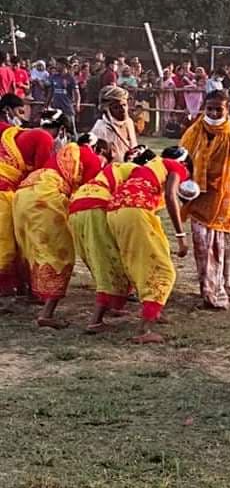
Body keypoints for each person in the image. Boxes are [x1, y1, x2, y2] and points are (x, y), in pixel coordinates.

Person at [12, 136, 105, 328]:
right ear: (101, 150)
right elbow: (89, 194)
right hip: (46, 198)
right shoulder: (93, 159)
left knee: (31, 247)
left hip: (23, 193)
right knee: (60, 254)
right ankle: (46, 314)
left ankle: (31, 294)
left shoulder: (64, 153)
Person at [106, 148, 193, 342]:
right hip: (135, 211)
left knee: (138, 264)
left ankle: (153, 311)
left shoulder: (147, 167)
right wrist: (181, 236)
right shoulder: (177, 166)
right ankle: (144, 330)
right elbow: (171, 196)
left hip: (114, 212)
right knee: (164, 271)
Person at [181, 92, 230, 310]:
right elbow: (181, 165)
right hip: (200, 201)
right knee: (204, 249)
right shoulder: (193, 132)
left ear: (227, 109)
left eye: (218, 109)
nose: (213, 113)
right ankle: (210, 293)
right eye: (210, 108)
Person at [69, 146, 155, 333]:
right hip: (96, 208)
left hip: (77, 206)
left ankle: (115, 307)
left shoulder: (116, 169)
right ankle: (96, 321)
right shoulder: (138, 174)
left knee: (102, 261)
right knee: (110, 263)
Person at [0, 113, 60, 300]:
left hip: (7, 188)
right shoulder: (44, 138)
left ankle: (16, 283)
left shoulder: (13, 133)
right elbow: (39, 174)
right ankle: (9, 285)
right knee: (8, 241)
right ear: (60, 130)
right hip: (4, 190)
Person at [91, 86, 138, 162]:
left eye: (124, 105)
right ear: (107, 109)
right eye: (116, 107)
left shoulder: (129, 123)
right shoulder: (100, 129)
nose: (122, 110)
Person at [46, 57, 80, 136]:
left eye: (58, 64)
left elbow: (77, 93)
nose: (56, 66)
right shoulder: (54, 77)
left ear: (63, 65)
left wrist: (77, 104)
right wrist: (46, 105)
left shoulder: (71, 78)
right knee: (55, 129)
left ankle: (76, 145)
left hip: (67, 108)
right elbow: (50, 92)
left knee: (71, 130)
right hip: (56, 108)